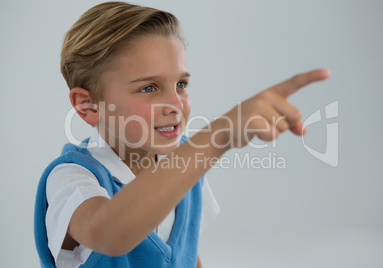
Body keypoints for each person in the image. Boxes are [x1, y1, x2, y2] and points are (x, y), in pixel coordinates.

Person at [34, 1, 330, 267]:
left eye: (181, 84)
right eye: (149, 88)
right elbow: (110, 233)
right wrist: (220, 134)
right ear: (88, 105)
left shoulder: (184, 162)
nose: (176, 105)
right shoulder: (73, 178)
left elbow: (185, 253)